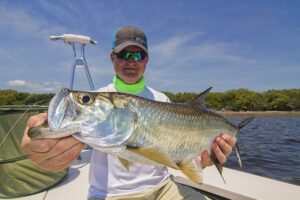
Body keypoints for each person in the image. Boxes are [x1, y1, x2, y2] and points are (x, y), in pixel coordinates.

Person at [22, 25, 236, 200]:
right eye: (124, 54)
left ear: (146, 60)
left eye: (138, 55)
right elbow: (46, 134)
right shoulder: (98, 97)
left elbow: (180, 159)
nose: (131, 61)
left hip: (163, 188)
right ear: (112, 58)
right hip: (111, 195)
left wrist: (206, 161)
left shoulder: (162, 100)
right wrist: (40, 147)